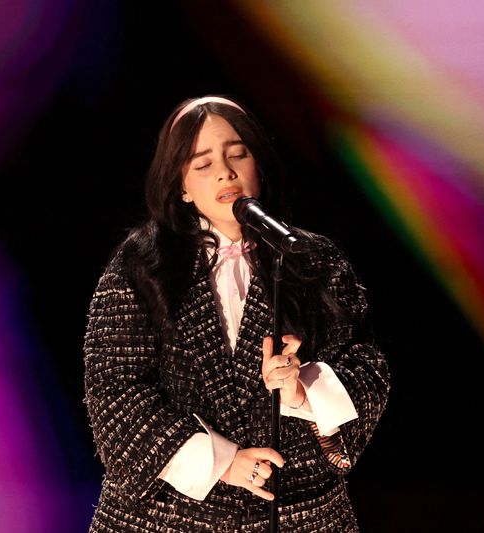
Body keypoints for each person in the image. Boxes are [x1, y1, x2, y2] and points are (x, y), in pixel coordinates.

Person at [83, 95, 390, 532]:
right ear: (181, 186)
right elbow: (113, 391)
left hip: (297, 513)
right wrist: (223, 462)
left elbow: (367, 367)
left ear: (258, 165)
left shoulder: (314, 260)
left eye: (237, 154)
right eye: (202, 163)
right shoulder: (140, 265)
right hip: (165, 515)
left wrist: (303, 390)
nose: (225, 172)